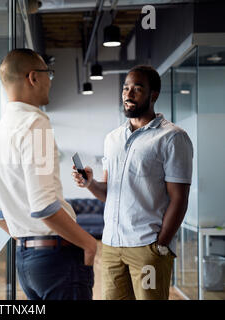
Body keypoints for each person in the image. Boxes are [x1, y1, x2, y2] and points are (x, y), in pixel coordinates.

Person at [72, 65, 193, 300]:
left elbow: (179, 199)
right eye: (126, 88)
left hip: (147, 247)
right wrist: (90, 183)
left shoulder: (172, 138)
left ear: (153, 95)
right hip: (111, 246)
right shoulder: (113, 138)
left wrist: (160, 246)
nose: (128, 94)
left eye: (137, 89)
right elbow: (109, 193)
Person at [0, 48, 97, 300]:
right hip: (57, 260)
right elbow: (44, 206)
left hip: (27, 263)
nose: (50, 81)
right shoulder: (36, 123)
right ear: (33, 77)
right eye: (49, 73)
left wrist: (29, 240)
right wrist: (89, 244)